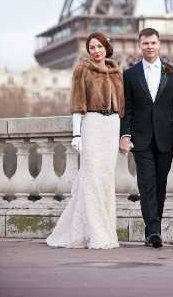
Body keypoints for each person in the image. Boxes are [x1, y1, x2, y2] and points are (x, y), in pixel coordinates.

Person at [46, 32, 125, 249]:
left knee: (106, 180)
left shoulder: (117, 71)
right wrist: (77, 134)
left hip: (112, 127)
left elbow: (123, 108)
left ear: (107, 47)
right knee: (91, 179)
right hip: (92, 124)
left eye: (100, 46)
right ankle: (96, 234)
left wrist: (124, 135)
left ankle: (103, 231)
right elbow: (77, 105)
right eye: (92, 47)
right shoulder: (82, 69)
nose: (96, 50)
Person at [119, 27, 173, 248]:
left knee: (160, 186)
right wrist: (125, 134)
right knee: (146, 185)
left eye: (153, 43)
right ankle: (154, 232)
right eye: (145, 43)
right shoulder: (130, 74)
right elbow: (126, 109)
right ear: (140, 46)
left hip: (166, 138)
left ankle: (153, 227)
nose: (149, 47)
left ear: (159, 44)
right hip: (141, 139)